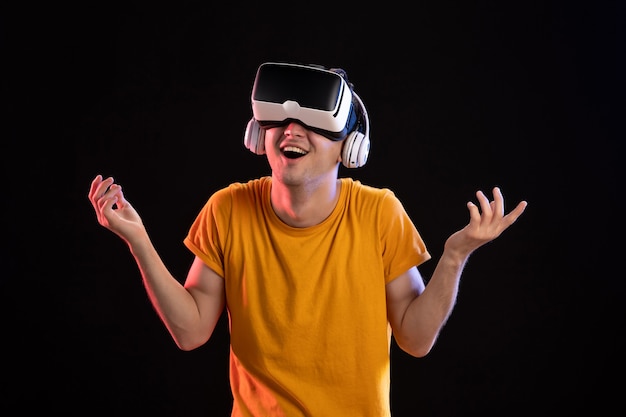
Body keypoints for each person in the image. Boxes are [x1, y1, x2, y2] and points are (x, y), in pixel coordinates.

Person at [88, 62, 527, 416]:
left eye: (311, 124)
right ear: (260, 134)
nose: (291, 131)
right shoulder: (228, 209)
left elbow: (414, 338)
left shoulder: (378, 214)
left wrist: (454, 258)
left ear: (350, 148)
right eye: (280, 120)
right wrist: (138, 240)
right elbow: (191, 332)